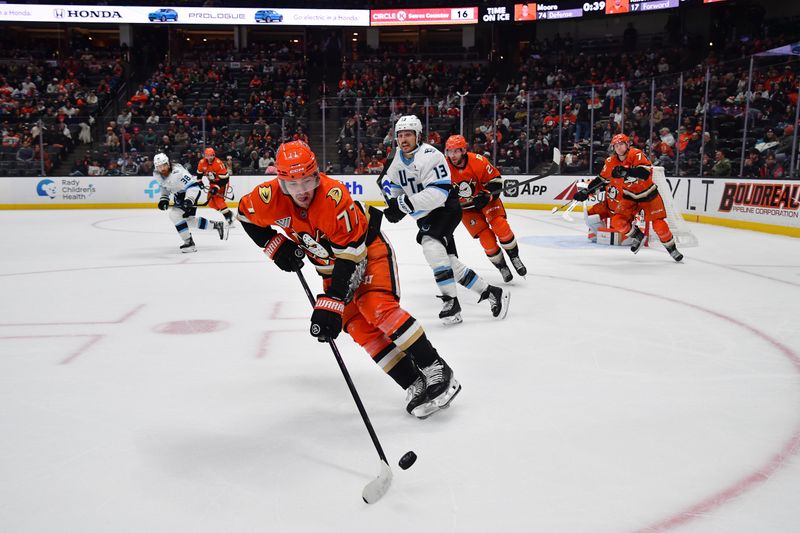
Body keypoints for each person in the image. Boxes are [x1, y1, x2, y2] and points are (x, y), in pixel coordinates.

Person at [237, 141, 460, 418]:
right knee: (355, 326)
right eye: (293, 185)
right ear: (281, 182)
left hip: (367, 251)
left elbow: (351, 255)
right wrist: (275, 245)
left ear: (316, 175)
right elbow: (244, 215)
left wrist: (332, 302)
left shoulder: (333, 196)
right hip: (332, 269)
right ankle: (413, 382)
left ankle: (436, 367)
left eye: (307, 181)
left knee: (374, 304)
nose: (302, 191)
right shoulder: (267, 197)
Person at [382, 115, 510, 324]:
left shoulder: (431, 155)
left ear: (418, 135)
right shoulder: (397, 156)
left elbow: (438, 193)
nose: (403, 139)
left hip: (445, 209)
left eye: (408, 135)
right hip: (424, 214)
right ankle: (492, 293)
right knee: (447, 261)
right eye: (400, 135)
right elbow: (393, 183)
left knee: (430, 245)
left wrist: (403, 205)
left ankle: (451, 301)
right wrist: (393, 202)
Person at [574, 134, 683, 262]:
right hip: (629, 196)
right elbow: (601, 180)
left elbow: (645, 173)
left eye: (621, 144)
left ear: (627, 144)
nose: (619, 148)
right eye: (616, 145)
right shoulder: (610, 162)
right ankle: (638, 236)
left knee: (659, 226)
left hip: (648, 195)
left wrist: (627, 171)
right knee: (617, 221)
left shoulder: (636, 154)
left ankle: (672, 249)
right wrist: (587, 192)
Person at [444, 134, 527, 283]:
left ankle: (514, 257)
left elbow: (496, 181)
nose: (452, 155)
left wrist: (487, 195)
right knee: (486, 239)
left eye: (456, 151)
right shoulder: (444, 167)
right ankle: (502, 266)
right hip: (466, 209)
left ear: (463, 150)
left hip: (486, 202)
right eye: (450, 151)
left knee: (500, 226)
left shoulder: (478, 161)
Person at [153, 153, 229, 253]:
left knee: (175, 215)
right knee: (189, 220)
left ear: (168, 163)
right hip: (180, 194)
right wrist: (164, 198)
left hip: (191, 192)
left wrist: (189, 199)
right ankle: (217, 225)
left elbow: (193, 186)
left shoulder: (178, 172)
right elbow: (164, 186)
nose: (162, 169)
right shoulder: (157, 173)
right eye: (159, 166)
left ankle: (189, 243)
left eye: (163, 165)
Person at [196, 147, 234, 226]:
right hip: (213, 183)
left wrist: (216, 187)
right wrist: (199, 181)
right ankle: (228, 213)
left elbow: (225, 179)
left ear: (214, 155)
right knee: (210, 202)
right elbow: (199, 173)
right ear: (205, 156)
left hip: (222, 183)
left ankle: (228, 218)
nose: (209, 158)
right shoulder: (202, 162)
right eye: (207, 156)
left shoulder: (218, 163)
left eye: (211, 156)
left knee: (218, 199)